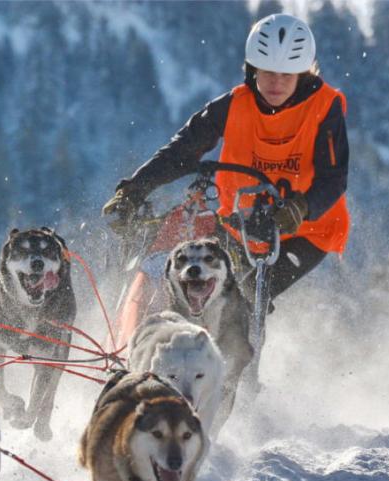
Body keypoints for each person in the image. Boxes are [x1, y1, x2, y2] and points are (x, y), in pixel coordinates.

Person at [103, 13, 349, 305]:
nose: (276, 83)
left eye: (287, 75)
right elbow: (182, 150)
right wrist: (134, 190)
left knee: (244, 302)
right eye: (268, 72)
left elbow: (333, 177)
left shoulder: (324, 108)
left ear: (303, 74)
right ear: (253, 69)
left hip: (307, 232)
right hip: (239, 228)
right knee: (200, 296)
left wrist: (300, 208)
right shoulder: (234, 105)